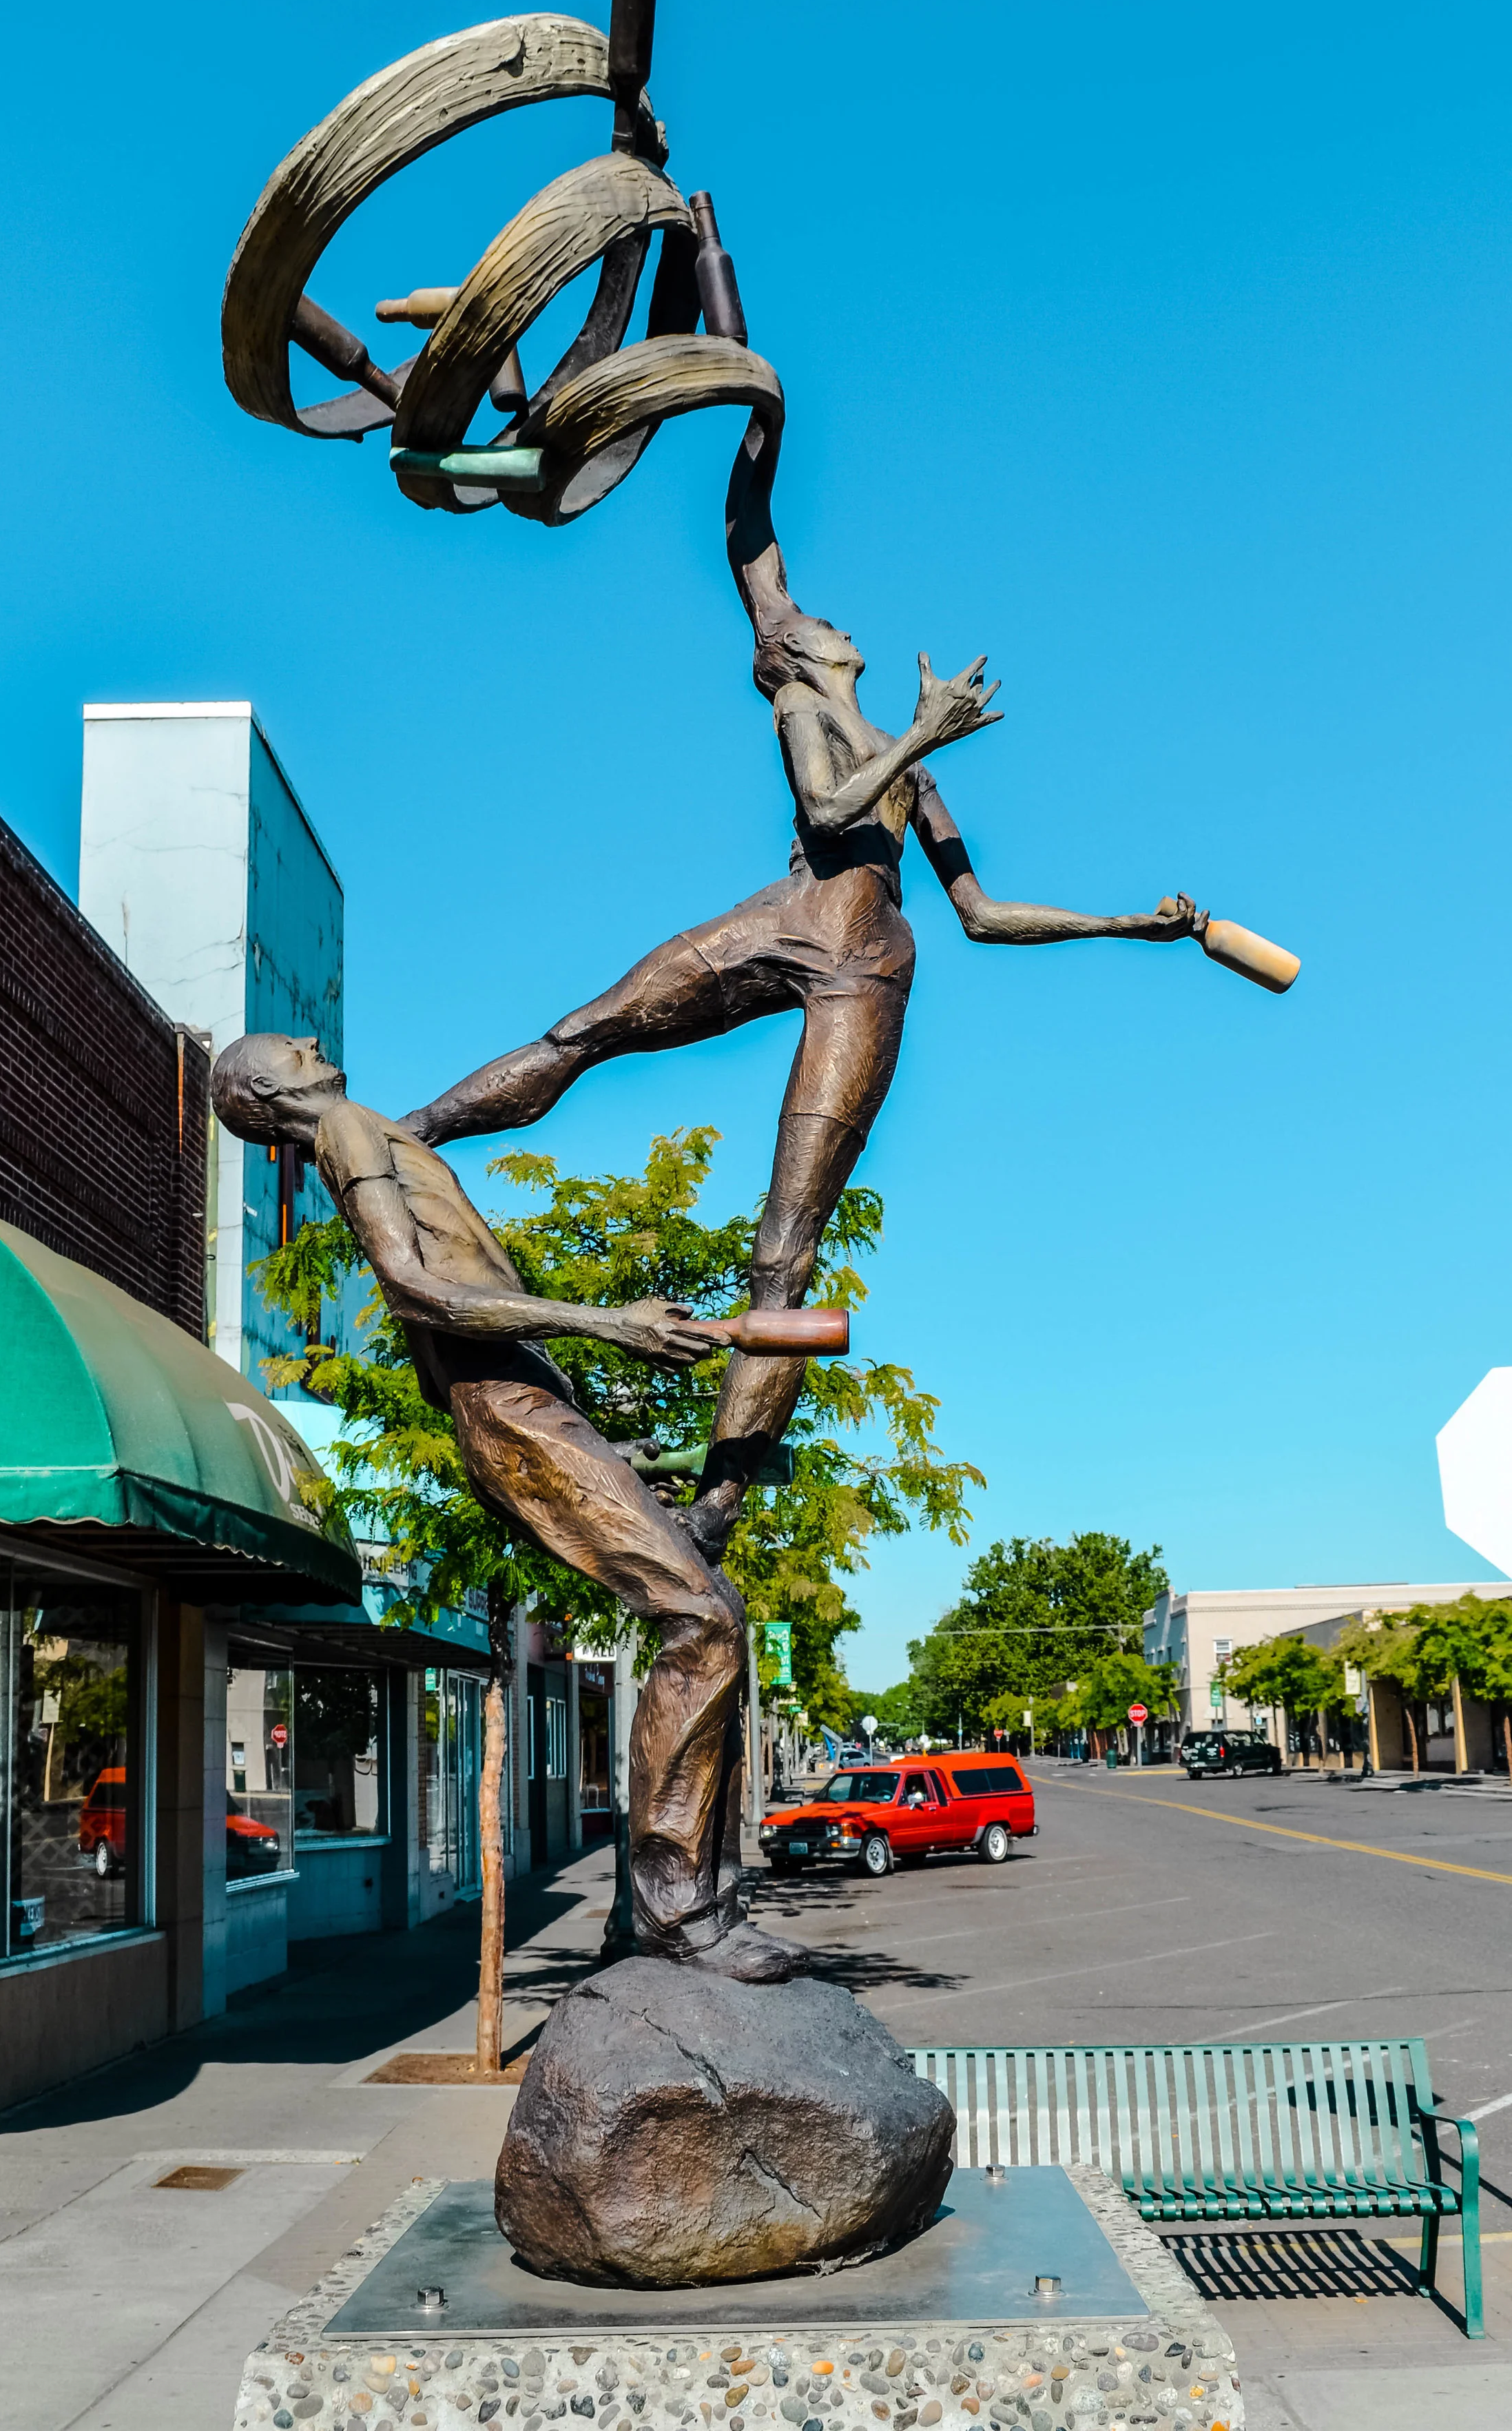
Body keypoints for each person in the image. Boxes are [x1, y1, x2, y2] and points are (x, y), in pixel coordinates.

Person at [402, 615, 1206, 1557]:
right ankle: (411, 1127)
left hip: (866, 966)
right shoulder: (800, 703)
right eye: (819, 626)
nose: (842, 626)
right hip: (787, 918)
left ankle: (716, 1506)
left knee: (786, 1253)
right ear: (795, 654)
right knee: (584, 1029)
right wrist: (919, 731)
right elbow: (825, 811)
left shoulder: (916, 769)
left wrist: (1123, 924)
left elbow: (982, 915)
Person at [209, 1029, 802, 1983]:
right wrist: (611, 1325)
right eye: (289, 1044)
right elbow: (419, 1291)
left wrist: (604, 1448)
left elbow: (434, 1325)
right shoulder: (349, 1133)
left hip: (523, 1405)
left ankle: (671, 1909)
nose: (311, 1039)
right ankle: (677, 1910)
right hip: (512, 1411)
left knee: (706, 1616)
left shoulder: (359, 1139)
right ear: (266, 1087)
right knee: (704, 1620)